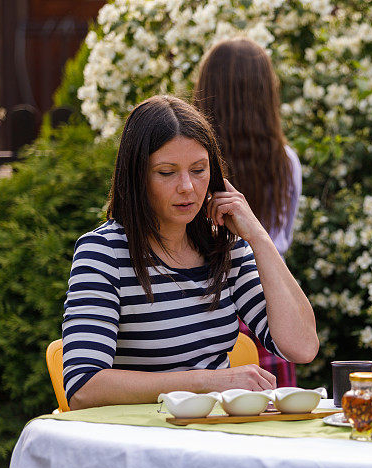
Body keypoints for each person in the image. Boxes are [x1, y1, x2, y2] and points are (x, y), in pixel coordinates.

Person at [62, 95, 318, 411]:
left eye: (198, 170)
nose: (187, 187)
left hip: (216, 437)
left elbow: (302, 347)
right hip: (140, 441)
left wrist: (258, 237)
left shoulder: (223, 247)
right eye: (167, 172)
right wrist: (202, 382)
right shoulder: (104, 254)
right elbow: (83, 387)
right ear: (137, 176)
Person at [193, 37, 303, 387]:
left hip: (208, 308)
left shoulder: (195, 165)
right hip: (265, 307)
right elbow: (281, 241)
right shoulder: (285, 162)